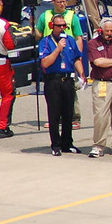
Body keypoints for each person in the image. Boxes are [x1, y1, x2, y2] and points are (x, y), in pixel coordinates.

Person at [34, 0, 85, 129]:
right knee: (52, 91)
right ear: (53, 2)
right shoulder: (45, 16)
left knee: (71, 89)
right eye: (60, 2)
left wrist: (78, 58)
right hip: (51, 54)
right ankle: (55, 117)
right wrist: (33, 25)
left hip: (68, 55)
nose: (63, 4)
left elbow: (78, 37)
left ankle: (74, 118)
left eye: (64, 1)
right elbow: (38, 33)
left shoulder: (71, 16)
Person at [39, 14, 86, 156]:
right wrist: (58, 49)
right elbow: (45, 63)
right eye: (59, 26)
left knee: (68, 113)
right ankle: (56, 144)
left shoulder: (70, 40)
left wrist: (82, 74)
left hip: (68, 80)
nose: (62, 28)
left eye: (64, 26)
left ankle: (67, 143)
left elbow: (76, 58)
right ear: (52, 26)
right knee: (54, 114)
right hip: (53, 80)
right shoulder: (46, 42)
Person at [86, 18, 112, 158]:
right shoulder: (93, 43)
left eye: (111, 31)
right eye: (107, 31)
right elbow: (99, 62)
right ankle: (98, 145)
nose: (109, 33)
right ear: (100, 30)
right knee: (101, 116)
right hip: (102, 83)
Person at [0, 0, 16, 137]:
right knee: (8, 94)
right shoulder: (3, 24)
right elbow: (11, 45)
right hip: (1, 66)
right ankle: (2, 127)